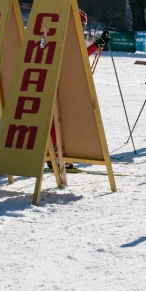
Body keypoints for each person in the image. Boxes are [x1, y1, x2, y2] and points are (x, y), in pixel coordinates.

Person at [47, 9, 110, 170]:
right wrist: (96, 45)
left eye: (84, 25)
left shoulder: (72, 36)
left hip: (69, 80)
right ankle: (53, 152)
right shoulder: (65, 36)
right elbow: (78, 55)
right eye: (80, 24)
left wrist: (97, 44)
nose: (82, 27)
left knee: (63, 117)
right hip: (62, 80)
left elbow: (80, 54)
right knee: (59, 116)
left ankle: (56, 151)